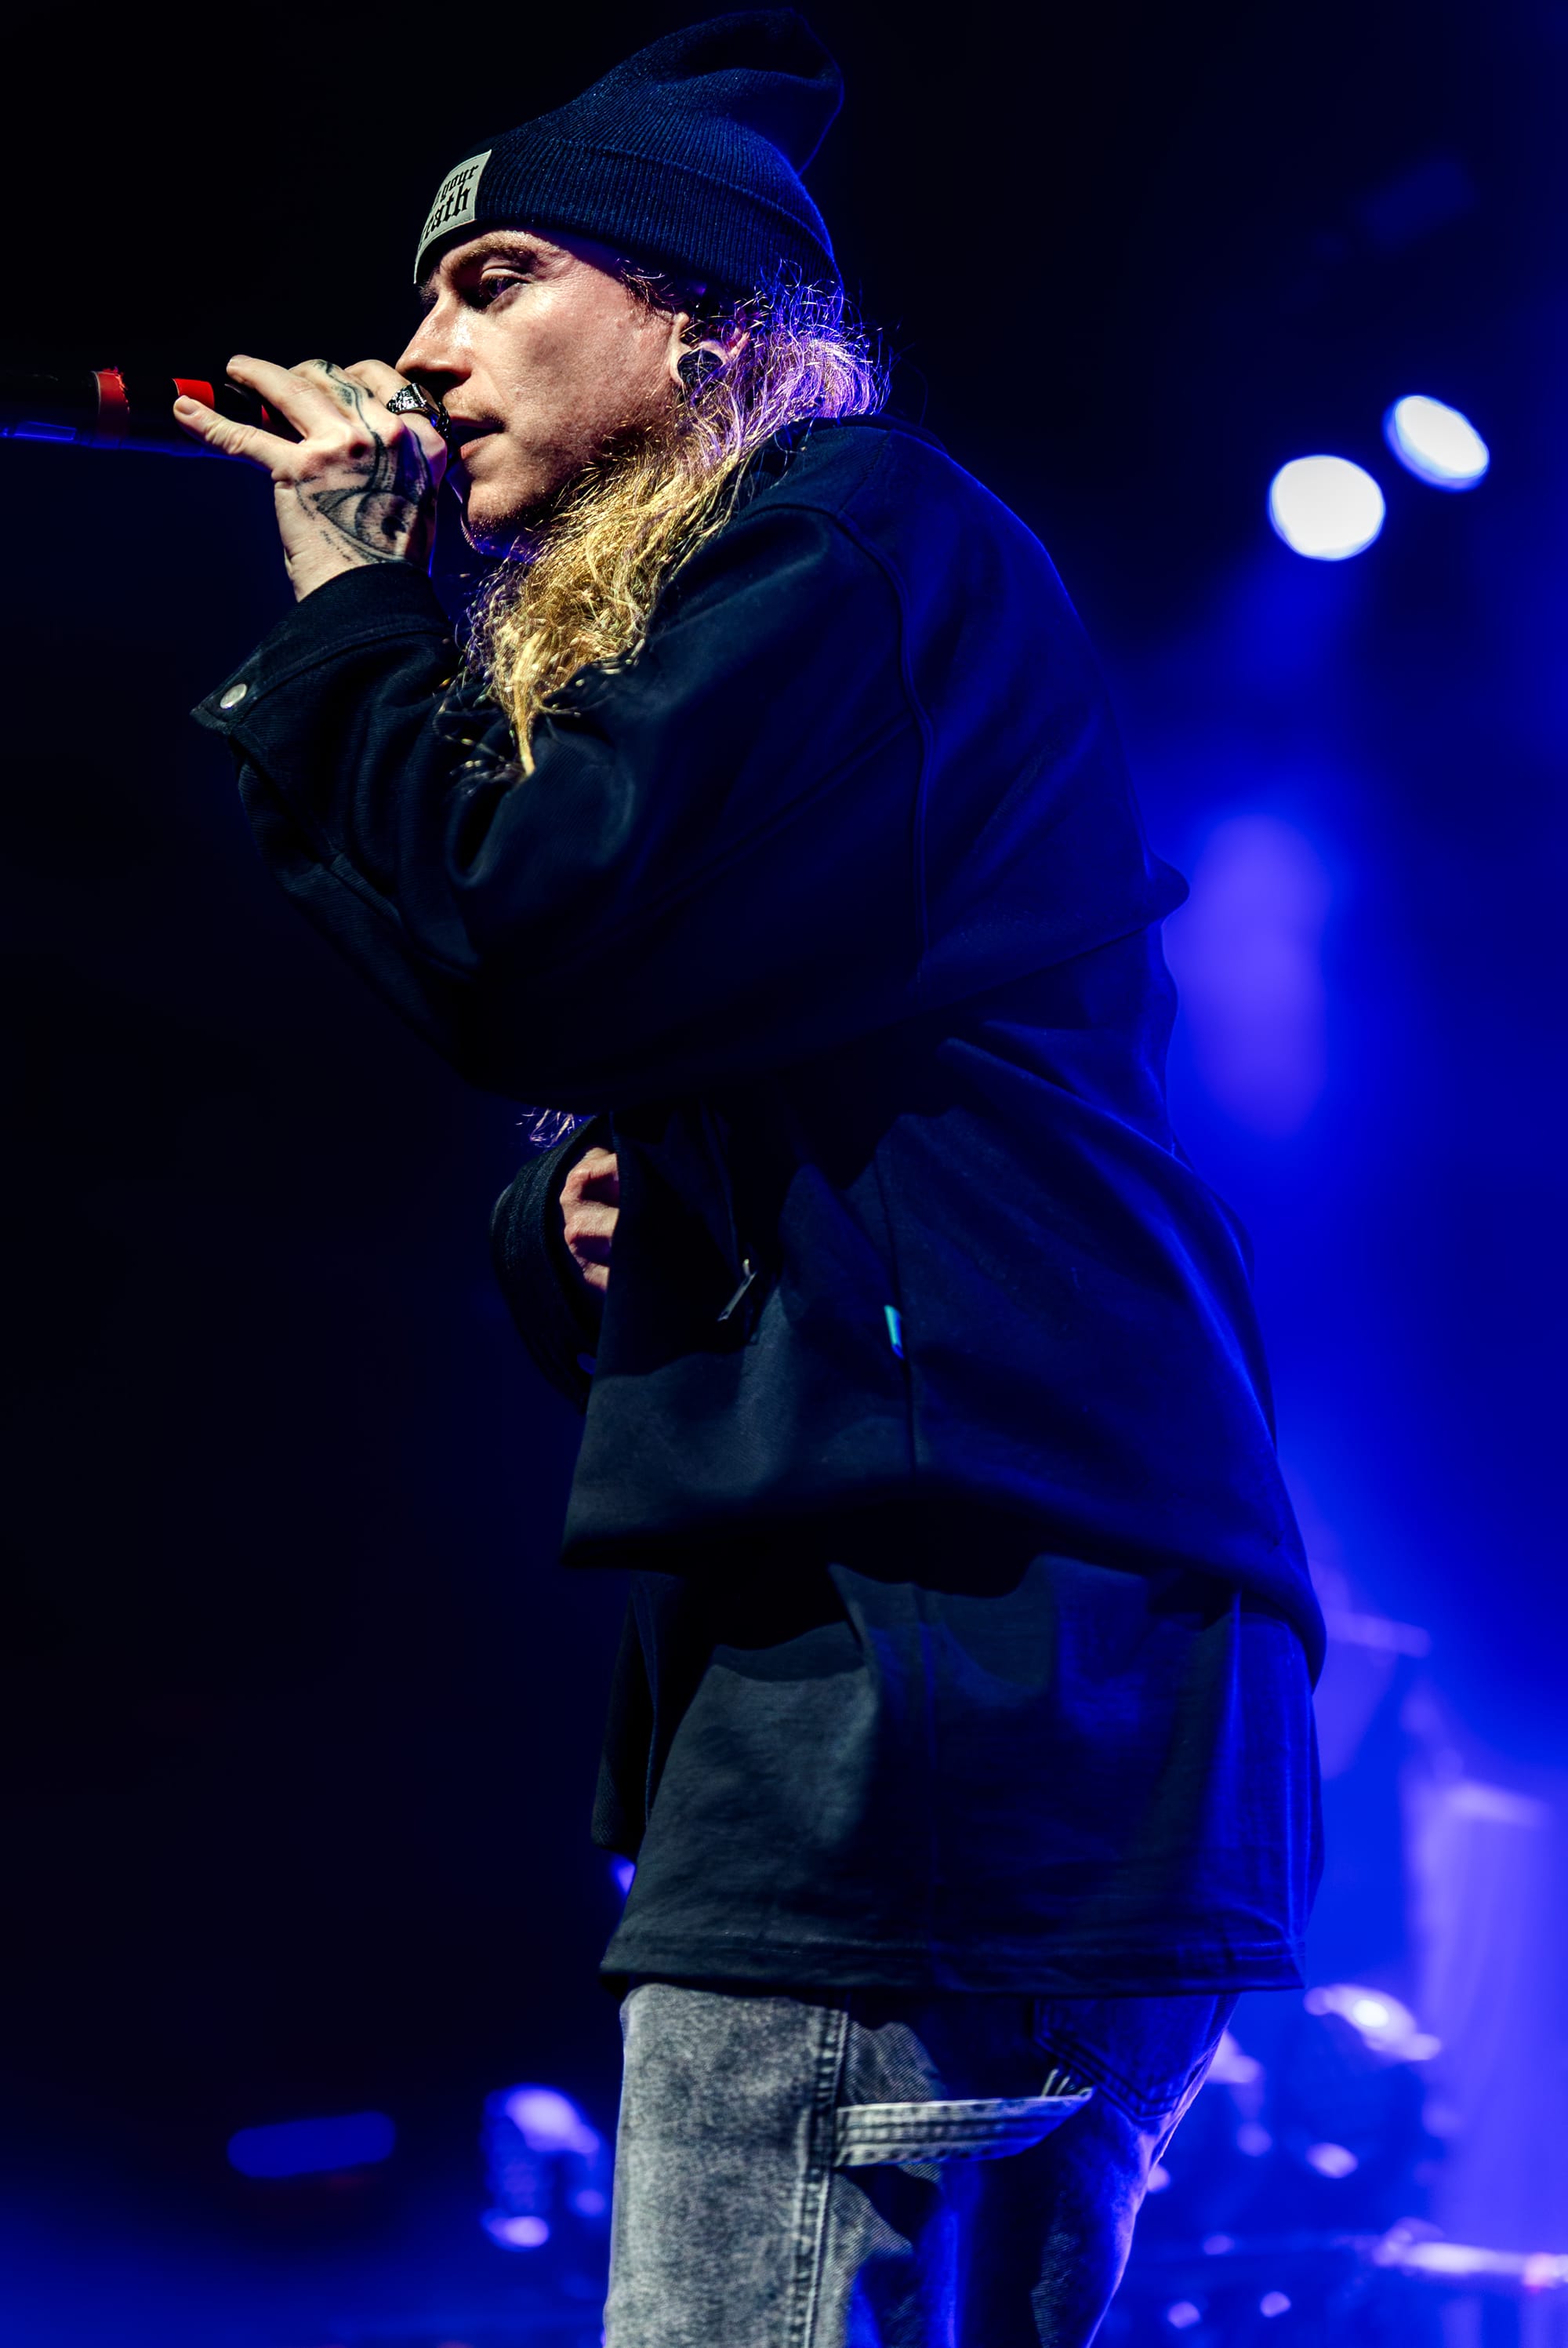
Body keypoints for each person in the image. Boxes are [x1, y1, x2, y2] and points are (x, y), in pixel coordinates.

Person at [181, 13, 1323, 2343]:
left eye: (497, 279)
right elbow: (657, 1039)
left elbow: (520, 936)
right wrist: (567, 1222)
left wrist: (345, 615)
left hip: (944, 1658)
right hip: (988, 1655)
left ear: (707, 321)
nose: (423, 350)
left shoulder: (853, 532)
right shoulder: (817, 622)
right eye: (426, 298)